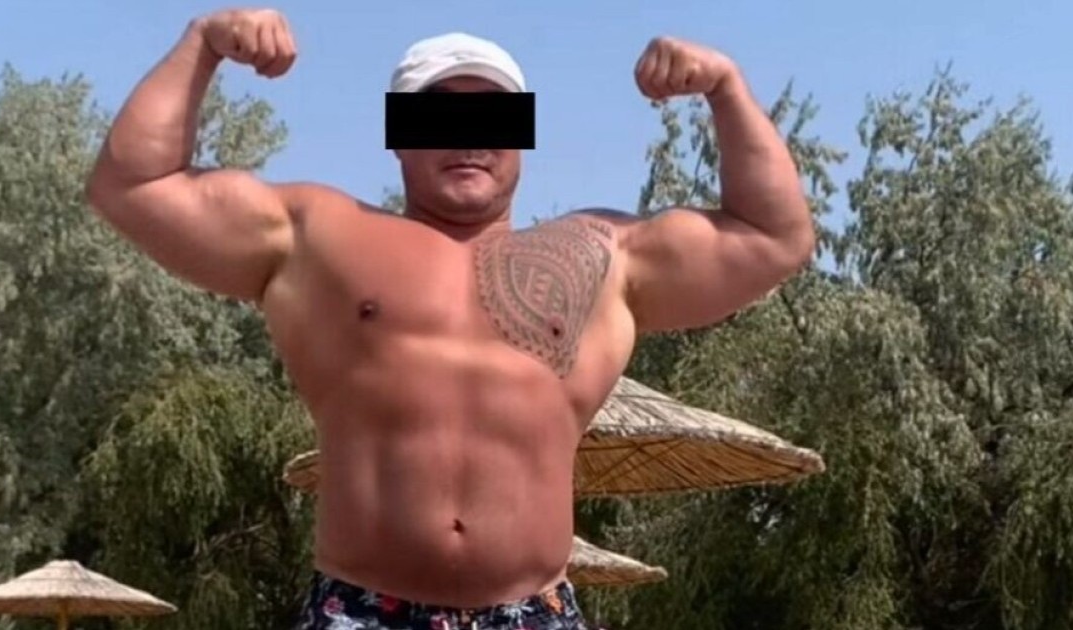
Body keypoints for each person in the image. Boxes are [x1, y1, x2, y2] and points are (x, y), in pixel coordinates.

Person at [85, 7, 814, 630]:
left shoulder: (603, 256)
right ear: (398, 134)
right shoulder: (316, 237)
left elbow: (774, 238)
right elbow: (132, 184)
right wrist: (203, 43)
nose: (469, 139)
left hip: (534, 613)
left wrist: (725, 88)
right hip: (361, 611)